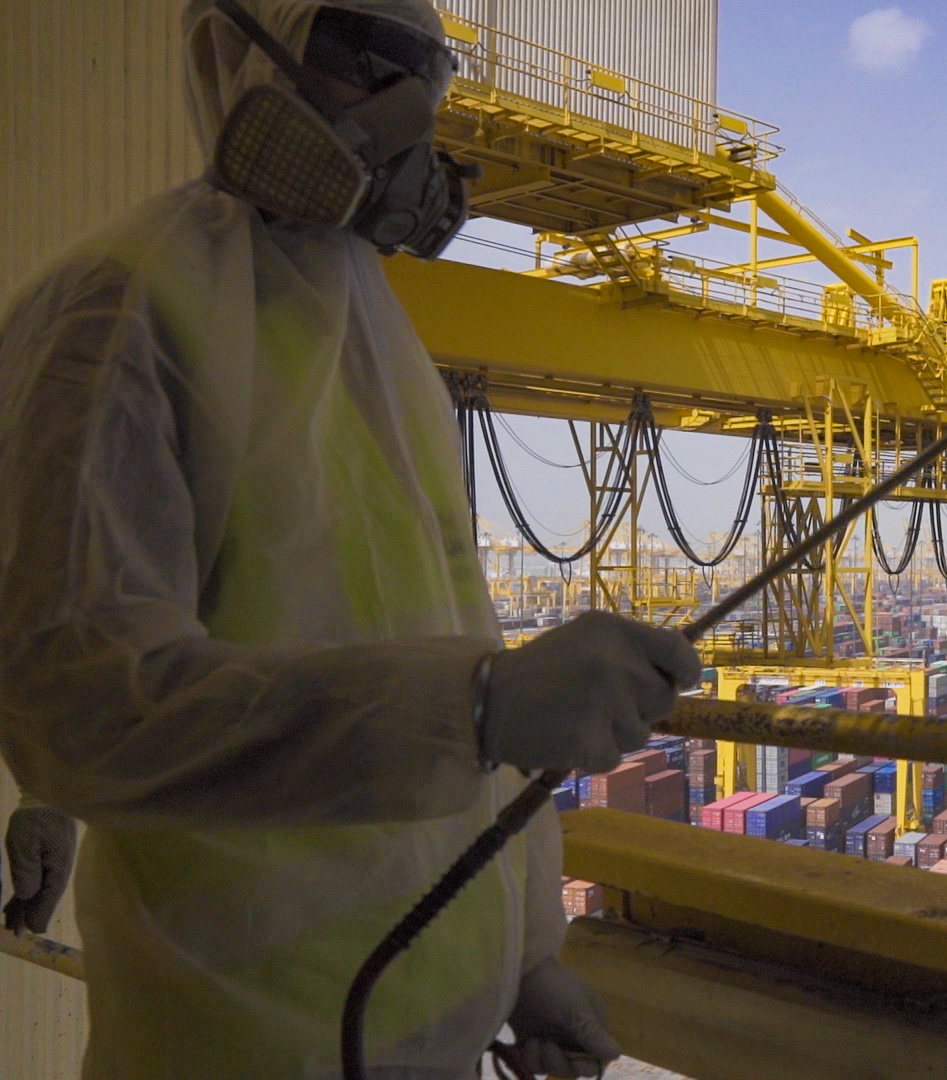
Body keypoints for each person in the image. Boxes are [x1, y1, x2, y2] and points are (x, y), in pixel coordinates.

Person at [0, 0, 700, 1076]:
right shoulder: (118, 312)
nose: (405, 110)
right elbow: (87, 712)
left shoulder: (376, 329)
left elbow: (449, 628)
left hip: (430, 1029)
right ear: (234, 53)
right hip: (236, 1043)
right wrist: (475, 709)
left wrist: (520, 961)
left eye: (425, 75)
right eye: (362, 61)